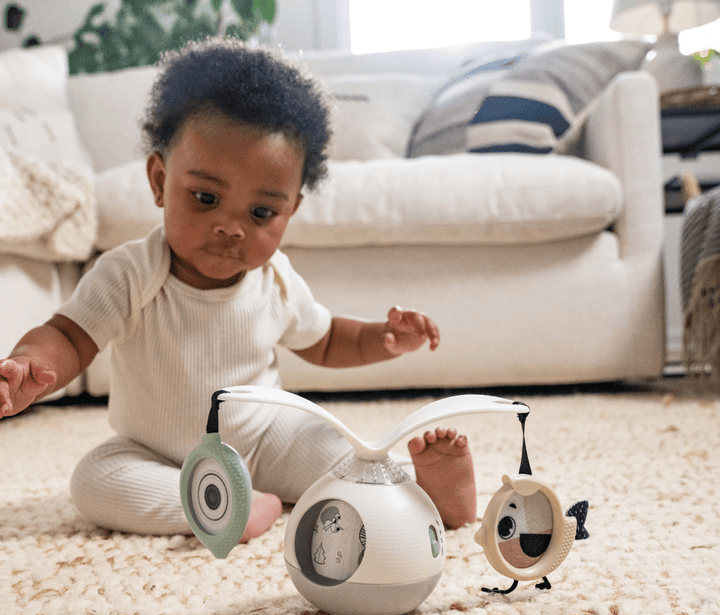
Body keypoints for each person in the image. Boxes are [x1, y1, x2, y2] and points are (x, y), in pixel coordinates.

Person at [0, 38, 476, 541]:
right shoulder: (132, 273)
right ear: (160, 180)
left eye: (261, 213)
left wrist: (382, 338)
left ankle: (424, 491)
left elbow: (327, 339)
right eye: (205, 198)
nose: (231, 228)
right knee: (95, 480)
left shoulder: (275, 281)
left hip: (269, 440)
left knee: (339, 449)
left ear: (290, 210)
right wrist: (31, 364)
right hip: (155, 453)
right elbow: (71, 337)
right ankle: (229, 508)